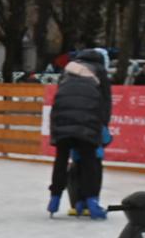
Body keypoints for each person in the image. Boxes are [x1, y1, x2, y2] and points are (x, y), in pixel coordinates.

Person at [47, 50, 112, 218]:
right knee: (89, 158)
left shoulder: (68, 69)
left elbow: (60, 97)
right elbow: (105, 102)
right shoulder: (100, 70)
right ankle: (92, 203)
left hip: (62, 116)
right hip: (87, 118)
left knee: (61, 157)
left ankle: (54, 199)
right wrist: (103, 126)